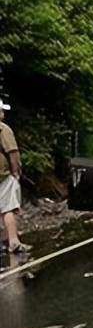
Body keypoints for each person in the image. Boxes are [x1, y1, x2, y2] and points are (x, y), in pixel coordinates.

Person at [0, 98, 28, 256]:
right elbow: (12, 152)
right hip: (2, 174)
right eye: (2, 111)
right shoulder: (3, 129)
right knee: (8, 208)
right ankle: (13, 241)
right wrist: (15, 172)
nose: (3, 114)